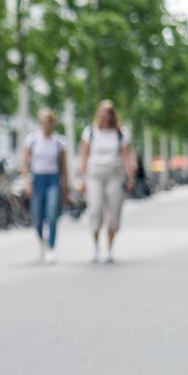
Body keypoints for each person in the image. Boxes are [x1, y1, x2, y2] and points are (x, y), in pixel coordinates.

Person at [79, 100, 136, 263]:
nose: (103, 118)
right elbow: (84, 157)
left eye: (107, 115)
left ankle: (110, 249)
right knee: (95, 209)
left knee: (114, 213)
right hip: (94, 175)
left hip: (114, 175)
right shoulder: (90, 132)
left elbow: (126, 157)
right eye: (101, 115)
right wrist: (82, 179)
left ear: (112, 116)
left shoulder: (120, 133)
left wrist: (130, 177)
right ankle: (96, 247)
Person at [21, 108, 70, 265]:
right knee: (37, 216)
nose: (46, 124)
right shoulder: (32, 140)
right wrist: (27, 182)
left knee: (52, 213)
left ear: (53, 123)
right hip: (38, 179)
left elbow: (64, 166)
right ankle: (41, 241)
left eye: (48, 121)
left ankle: (51, 247)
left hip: (53, 180)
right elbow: (25, 163)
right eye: (43, 121)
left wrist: (66, 185)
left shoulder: (59, 142)